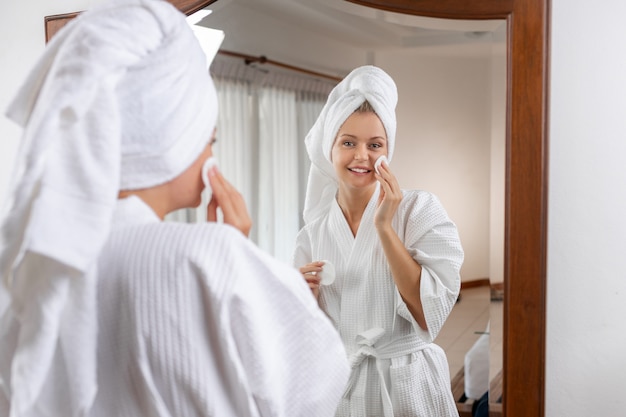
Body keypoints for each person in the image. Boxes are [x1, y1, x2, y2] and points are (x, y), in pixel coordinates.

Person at [0, 0, 349, 416]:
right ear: (169, 136)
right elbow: (313, 386)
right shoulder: (205, 256)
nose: (210, 154)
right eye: (208, 136)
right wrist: (235, 254)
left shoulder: (31, 260)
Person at [294, 65, 464, 417]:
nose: (362, 156)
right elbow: (309, 335)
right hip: (342, 385)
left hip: (407, 384)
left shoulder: (419, 209)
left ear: (388, 150)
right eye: (348, 143)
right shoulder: (314, 232)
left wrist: (385, 227)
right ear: (330, 149)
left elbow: (427, 313)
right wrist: (305, 299)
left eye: (375, 144)